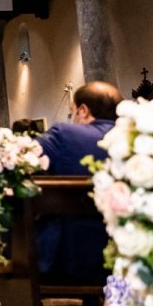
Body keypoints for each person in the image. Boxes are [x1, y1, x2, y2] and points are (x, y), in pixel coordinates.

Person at [36, 81, 123, 287]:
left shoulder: (64, 135)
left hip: (71, 256)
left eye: (72, 112)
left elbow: (21, 160)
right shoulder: (142, 137)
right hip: (130, 253)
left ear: (83, 110)